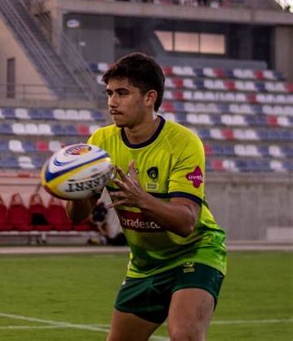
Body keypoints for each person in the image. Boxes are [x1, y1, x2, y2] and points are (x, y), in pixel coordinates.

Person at [66, 52, 227, 341]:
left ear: (150, 97)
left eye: (123, 93)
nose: (112, 102)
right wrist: (75, 186)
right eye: (110, 93)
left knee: (185, 334)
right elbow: (77, 215)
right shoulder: (100, 142)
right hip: (145, 264)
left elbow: (186, 221)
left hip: (194, 252)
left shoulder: (183, 143)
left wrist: (142, 200)